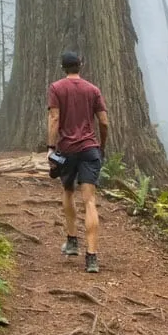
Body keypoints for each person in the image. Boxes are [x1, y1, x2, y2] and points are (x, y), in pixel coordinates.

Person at [47, 51, 108, 274]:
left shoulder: (56, 88)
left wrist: (51, 148)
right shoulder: (93, 90)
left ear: (63, 67)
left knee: (68, 192)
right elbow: (104, 122)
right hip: (90, 149)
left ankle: (72, 241)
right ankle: (92, 258)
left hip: (67, 150)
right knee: (90, 201)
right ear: (80, 65)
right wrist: (101, 146)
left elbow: (54, 118)